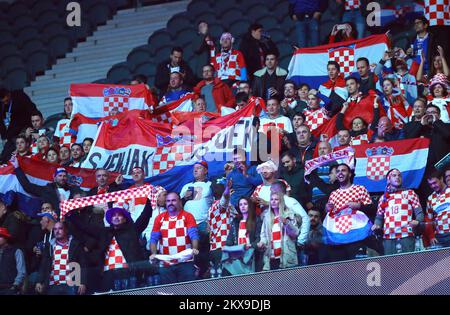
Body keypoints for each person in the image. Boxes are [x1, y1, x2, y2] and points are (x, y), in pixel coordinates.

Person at [67, 202, 154, 291]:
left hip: (128, 272)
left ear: (125, 219)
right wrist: (69, 214)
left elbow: (145, 217)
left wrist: (149, 201)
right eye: (113, 215)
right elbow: (85, 227)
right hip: (108, 274)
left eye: (119, 215)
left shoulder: (132, 230)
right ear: (110, 219)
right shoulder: (104, 233)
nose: (116, 217)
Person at [325, 163, 373, 262]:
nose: (340, 173)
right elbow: (331, 215)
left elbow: (372, 209)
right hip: (339, 238)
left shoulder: (360, 189)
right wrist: (327, 209)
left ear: (350, 174)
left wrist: (359, 206)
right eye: (338, 171)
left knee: (357, 267)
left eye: (343, 170)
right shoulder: (333, 194)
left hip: (356, 236)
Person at [150, 192, 199, 284]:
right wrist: (153, 254)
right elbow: (153, 239)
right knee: (169, 292)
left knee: (188, 290)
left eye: (173, 200)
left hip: (185, 261)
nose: (170, 203)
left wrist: (195, 249)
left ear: (180, 202)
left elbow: (194, 235)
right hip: (166, 263)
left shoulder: (188, 216)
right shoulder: (159, 218)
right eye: (168, 201)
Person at [372, 169, 424, 255]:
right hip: (388, 236)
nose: (397, 177)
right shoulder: (383, 198)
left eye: (399, 175)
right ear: (388, 179)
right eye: (394, 175)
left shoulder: (410, 193)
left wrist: (417, 221)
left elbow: (420, 213)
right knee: (391, 264)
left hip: (406, 234)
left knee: (408, 262)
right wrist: (376, 225)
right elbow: (379, 218)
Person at [11, 158, 80, 215]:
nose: (62, 178)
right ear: (54, 177)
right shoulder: (46, 190)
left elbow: (84, 196)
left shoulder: (73, 190)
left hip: (70, 222)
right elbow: (27, 186)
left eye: (64, 176)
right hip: (51, 222)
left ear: (67, 178)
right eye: (60, 175)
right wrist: (17, 168)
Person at [180, 161, 213, 278]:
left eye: (199, 168)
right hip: (187, 224)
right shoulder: (186, 186)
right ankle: (194, 275)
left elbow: (216, 203)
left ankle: (205, 273)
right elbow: (179, 205)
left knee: (203, 250)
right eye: (194, 168)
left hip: (203, 222)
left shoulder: (210, 184)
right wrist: (184, 198)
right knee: (190, 252)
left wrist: (211, 221)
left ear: (205, 171)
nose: (195, 170)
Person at [35, 221, 87, 295]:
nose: (57, 231)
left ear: (66, 230)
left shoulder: (75, 244)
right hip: (53, 285)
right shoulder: (50, 246)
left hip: (71, 284)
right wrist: (39, 281)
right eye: (55, 229)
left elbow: (83, 264)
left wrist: (83, 282)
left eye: (60, 228)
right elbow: (44, 265)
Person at [258, 191, 301, 270]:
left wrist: (286, 223)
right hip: (272, 257)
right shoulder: (267, 217)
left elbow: (295, 234)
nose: (273, 201)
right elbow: (263, 235)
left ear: (281, 201)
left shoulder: (289, 214)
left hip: (286, 257)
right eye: (271, 199)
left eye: (276, 199)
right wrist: (262, 243)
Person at [224, 197, 262, 275]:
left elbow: (259, 238)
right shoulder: (236, 221)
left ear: (250, 206)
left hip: (251, 255)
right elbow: (230, 240)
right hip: (238, 256)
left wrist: (251, 245)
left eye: (245, 204)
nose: (243, 206)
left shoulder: (256, 220)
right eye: (240, 204)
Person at [207, 179, 236, 278]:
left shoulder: (211, 208)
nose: (217, 188)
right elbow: (224, 199)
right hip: (222, 246)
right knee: (225, 281)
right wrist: (228, 189)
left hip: (216, 247)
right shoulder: (218, 205)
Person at [0, 87, 37, 162]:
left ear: (9, 94)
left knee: (11, 154)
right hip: (10, 134)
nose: (5, 103)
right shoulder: (1, 105)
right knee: (3, 157)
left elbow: (32, 108)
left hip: (22, 129)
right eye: (3, 102)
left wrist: (35, 120)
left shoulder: (20, 97)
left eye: (6, 101)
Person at [425, 170, 450, 248]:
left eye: (434, 183)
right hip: (440, 237)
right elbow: (429, 219)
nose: (433, 186)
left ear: (441, 179)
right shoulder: (430, 198)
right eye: (430, 184)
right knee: (443, 260)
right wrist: (431, 236)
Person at [0, 227, 26, 295]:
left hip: (10, 288)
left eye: (0, 236)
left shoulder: (16, 251)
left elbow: (22, 271)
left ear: (6, 238)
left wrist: (15, 286)